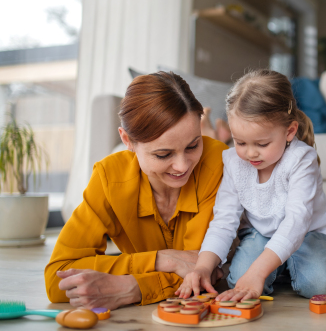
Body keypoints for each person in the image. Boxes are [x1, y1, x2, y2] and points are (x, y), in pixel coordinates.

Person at [44, 71, 229, 309]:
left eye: (193, 145)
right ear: (127, 140)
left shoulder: (217, 162)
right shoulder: (109, 177)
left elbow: (204, 272)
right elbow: (57, 278)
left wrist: (133, 288)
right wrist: (161, 260)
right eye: (163, 154)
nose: (183, 166)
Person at [176, 69, 326, 301]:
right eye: (239, 141)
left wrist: (258, 272)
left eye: (262, 143)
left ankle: (280, 265)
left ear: (290, 131)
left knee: (316, 286)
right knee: (238, 281)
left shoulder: (302, 160)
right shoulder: (234, 161)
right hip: (259, 233)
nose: (250, 153)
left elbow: (296, 223)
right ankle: (279, 265)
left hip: (307, 234)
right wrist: (202, 267)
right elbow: (224, 221)